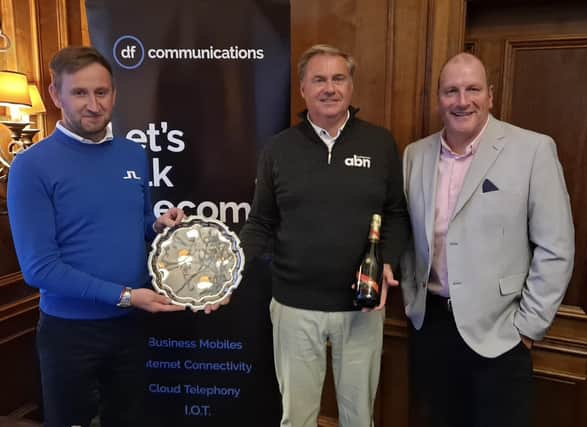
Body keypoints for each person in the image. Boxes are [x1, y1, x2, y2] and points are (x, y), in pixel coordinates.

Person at [7, 46, 195, 427]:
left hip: (131, 326)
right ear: (55, 95)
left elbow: (136, 222)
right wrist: (125, 296)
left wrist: (157, 225)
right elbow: (38, 269)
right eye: (79, 93)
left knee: (130, 418)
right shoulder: (31, 166)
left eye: (101, 92)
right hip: (70, 334)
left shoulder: (131, 154)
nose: (93, 105)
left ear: (114, 94)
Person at [239, 44, 410, 427]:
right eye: (319, 79)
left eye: (338, 78)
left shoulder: (379, 143)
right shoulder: (278, 149)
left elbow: (397, 215)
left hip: (361, 308)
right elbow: (260, 223)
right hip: (294, 306)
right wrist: (229, 272)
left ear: (351, 87)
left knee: (358, 417)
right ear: (303, 89)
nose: (329, 88)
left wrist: (388, 263)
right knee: (297, 418)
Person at [400, 52, 575, 427]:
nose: (462, 101)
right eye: (451, 91)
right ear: (438, 99)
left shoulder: (533, 150)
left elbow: (556, 248)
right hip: (430, 329)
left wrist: (527, 329)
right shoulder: (415, 155)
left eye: (472, 89)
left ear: (490, 95)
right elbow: (406, 236)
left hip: (501, 335)